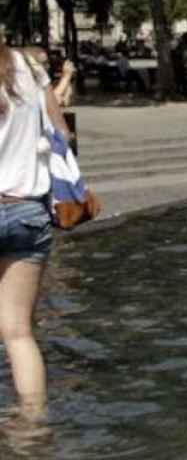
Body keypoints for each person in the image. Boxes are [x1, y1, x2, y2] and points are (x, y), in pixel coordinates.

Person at [0, 44, 72, 420]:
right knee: (18, 333)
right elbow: (62, 131)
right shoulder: (30, 66)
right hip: (28, 210)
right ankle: (32, 431)